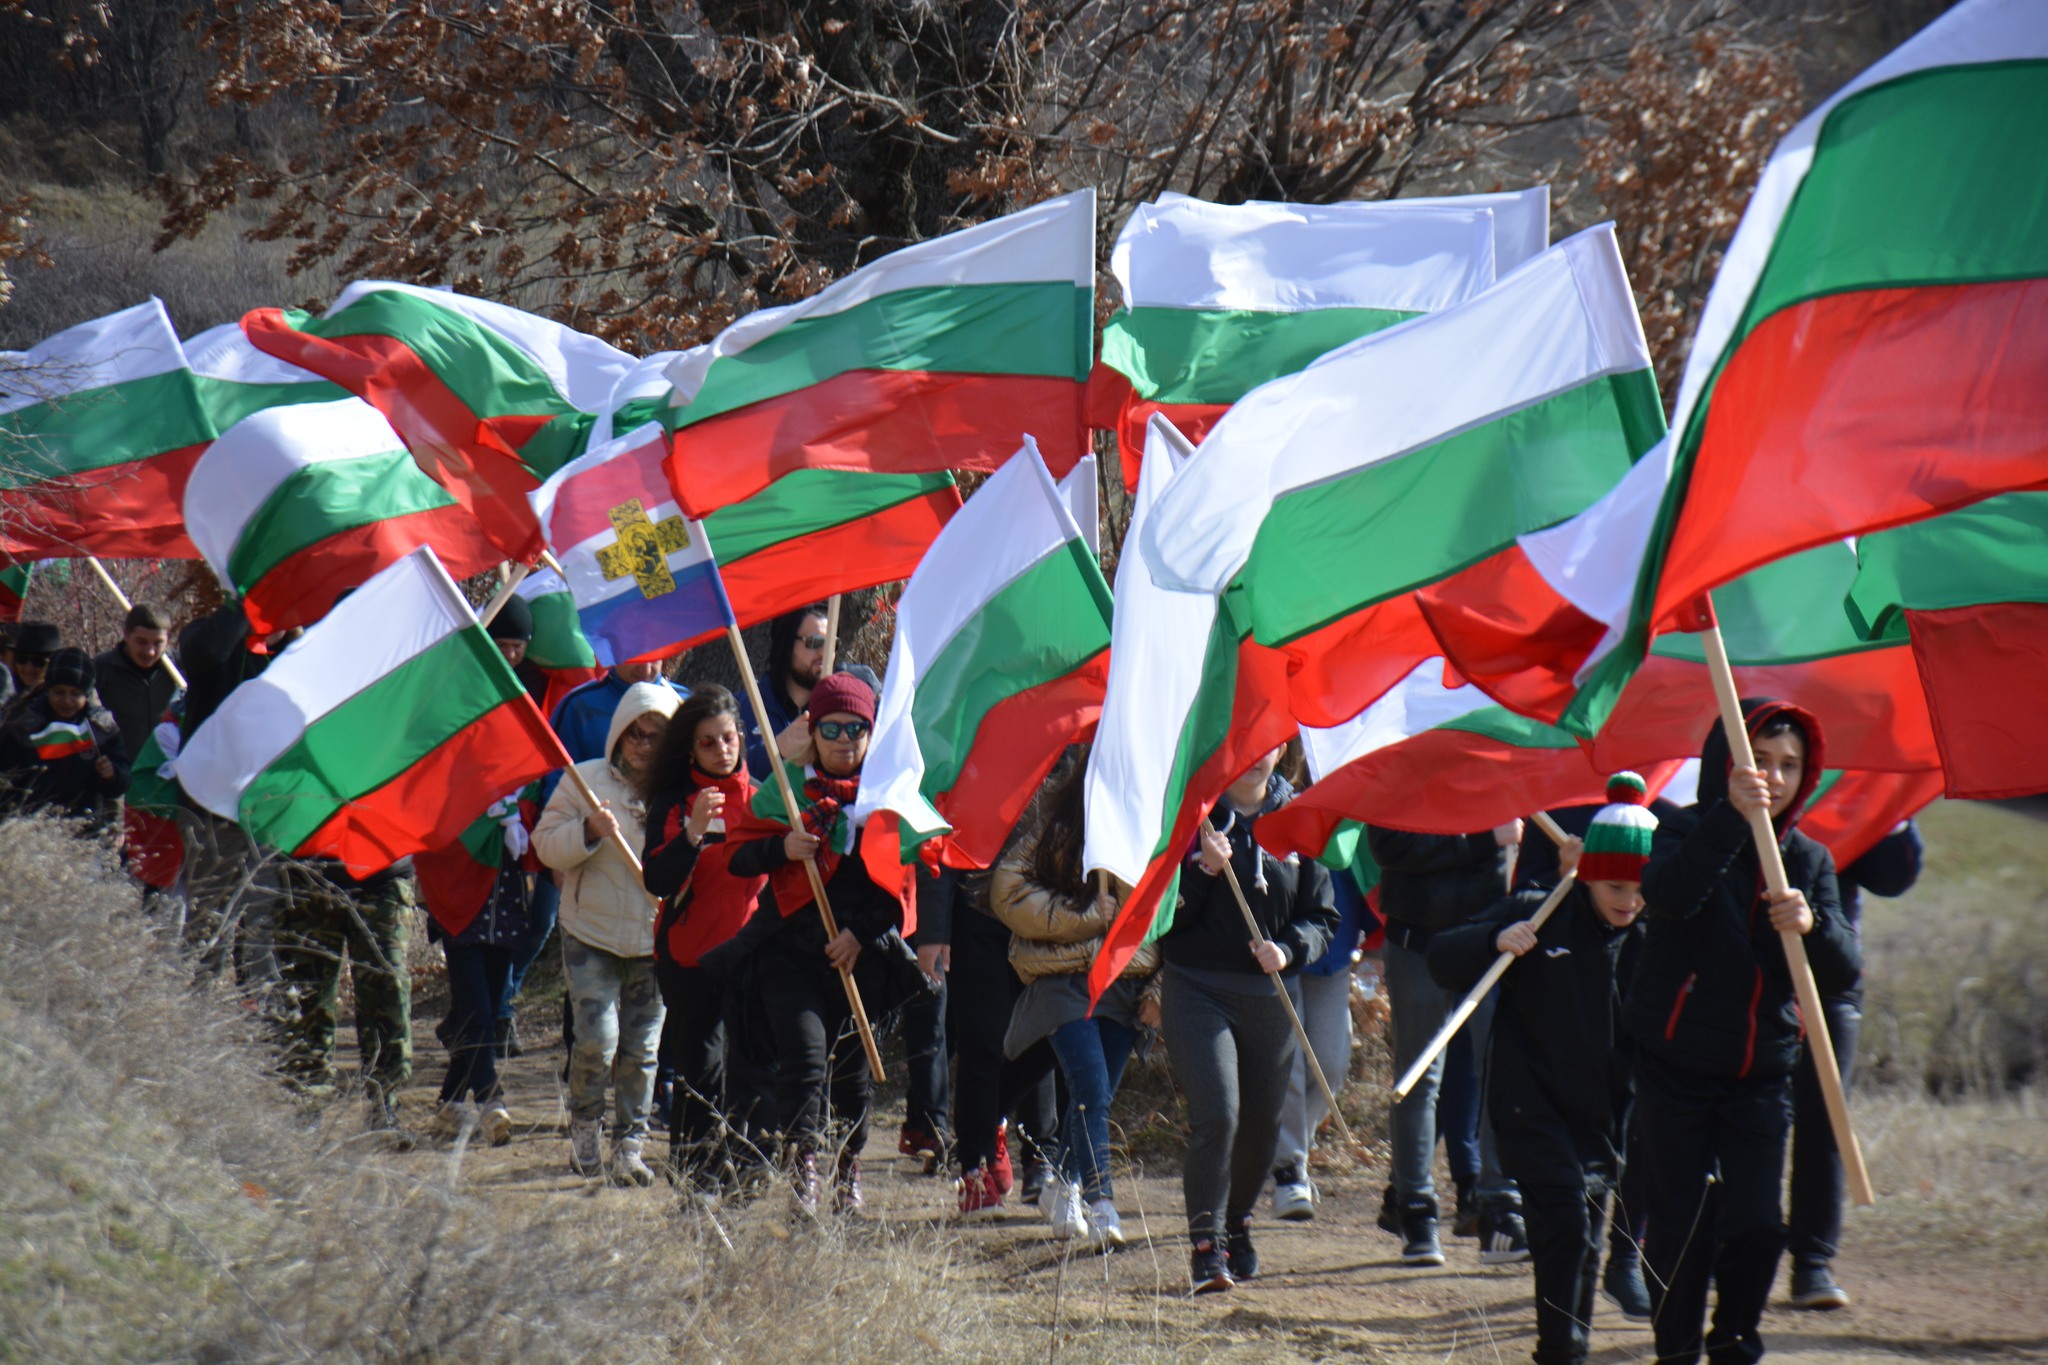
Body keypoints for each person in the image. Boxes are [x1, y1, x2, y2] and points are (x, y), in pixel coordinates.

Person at [1627, 699, 1859, 1365]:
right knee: (1681, 1227)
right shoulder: (1681, 827)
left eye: (1790, 765)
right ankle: (1676, 1351)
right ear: (1727, 763)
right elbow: (1667, 894)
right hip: (1673, 1062)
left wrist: (1810, 925)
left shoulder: (1809, 861)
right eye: (1760, 760)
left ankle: (1734, 1340)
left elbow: (1843, 969)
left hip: (1760, 1070)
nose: (1775, 777)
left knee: (1758, 1222)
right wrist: (1730, 817)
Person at [1429, 776, 1657, 1365]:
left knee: (1587, 1246)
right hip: (1530, 1105)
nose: (1627, 899)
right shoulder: (1541, 910)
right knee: (1565, 1229)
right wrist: (1492, 938)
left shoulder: (1655, 941)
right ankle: (1560, 1352)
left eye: (1638, 887)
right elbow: (1443, 955)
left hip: (1606, 1117)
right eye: (1613, 884)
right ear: (1585, 876)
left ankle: (1567, 1346)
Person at [714, 671, 909, 1214]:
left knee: (851, 1070)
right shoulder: (786, 787)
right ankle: (806, 1169)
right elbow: (739, 855)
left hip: (858, 958)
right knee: (803, 1059)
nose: (844, 740)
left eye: (856, 729)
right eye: (831, 728)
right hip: (789, 951)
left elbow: (901, 888)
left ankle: (850, 1168)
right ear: (813, 731)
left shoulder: (885, 796)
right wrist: (784, 848)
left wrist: (858, 936)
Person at [1159, 746, 1337, 1293]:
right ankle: (1206, 1247)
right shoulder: (1192, 813)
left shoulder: (1299, 818)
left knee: (1261, 1130)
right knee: (1220, 1114)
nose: (1257, 759)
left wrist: (1289, 949)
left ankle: (1238, 1221)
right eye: (1247, 744)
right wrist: (1202, 871)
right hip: (1196, 987)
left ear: (1282, 750)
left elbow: (1322, 916)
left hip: (1269, 996)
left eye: (1270, 746)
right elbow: (1160, 914)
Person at [991, 749, 1158, 1249]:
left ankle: (1062, 1185)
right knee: (1088, 1081)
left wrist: (1159, 991)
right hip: (1062, 983)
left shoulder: (1159, 834)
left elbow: (1174, 924)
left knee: (1097, 1094)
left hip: (1125, 985)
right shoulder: (1053, 829)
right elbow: (1008, 891)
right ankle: (1102, 1200)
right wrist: (1087, 915)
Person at [535, 682, 679, 1185]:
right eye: (634, 734)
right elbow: (546, 845)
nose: (642, 745)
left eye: (655, 736)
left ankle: (629, 1147)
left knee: (642, 1052)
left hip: (653, 939)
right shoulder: (585, 780)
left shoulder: (682, 792)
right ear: (618, 734)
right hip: (589, 933)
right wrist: (589, 832)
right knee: (597, 1039)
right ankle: (585, 1129)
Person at [1367, 815, 1527, 1267]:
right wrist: (1483, 838)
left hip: (1490, 939)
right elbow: (1390, 846)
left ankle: (1500, 1207)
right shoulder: (1399, 758)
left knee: (1497, 1070)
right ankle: (1416, 1209)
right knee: (1418, 1076)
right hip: (1415, 940)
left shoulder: (1501, 759)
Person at [1786, 817, 1922, 1311]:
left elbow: (1892, 877)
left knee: (1825, 1118)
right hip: (1745, 975)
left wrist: (1893, 810)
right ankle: (1721, 1251)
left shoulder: (1858, 789)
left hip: (1831, 974)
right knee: (1742, 1114)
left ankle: (1812, 1263)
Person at [640, 685, 769, 1190]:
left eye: (728, 738)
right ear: (690, 749)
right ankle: (696, 1178)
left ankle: (749, 1168)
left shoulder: (763, 796)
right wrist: (692, 834)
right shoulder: (674, 804)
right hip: (689, 958)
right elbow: (658, 880)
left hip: (751, 954)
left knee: (754, 1067)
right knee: (701, 1072)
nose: (722, 749)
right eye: (708, 742)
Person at [271, 852, 417, 1143]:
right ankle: (307, 1106)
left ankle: (384, 1107)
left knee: (387, 989)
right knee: (305, 996)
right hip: (309, 874)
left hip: (383, 874)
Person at [421, 789, 535, 1147]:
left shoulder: (527, 784)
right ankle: (490, 1098)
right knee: (479, 1014)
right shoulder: (457, 778)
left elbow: (537, 838)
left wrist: (517, 819)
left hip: (506, 910)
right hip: (461, 910)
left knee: (475, 1017)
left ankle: (450, 1102)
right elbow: (433, 834)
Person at [1269, 861, 1367, 1221]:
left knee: (1331, 1063)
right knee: (1289, 1064)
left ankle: (1291, 1143)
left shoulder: (1347, 812)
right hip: (1281, 946)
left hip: (1334, 949)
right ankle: (1289, 1171)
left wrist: (1374, 940)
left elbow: (1363, 865)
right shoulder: (1276, 804)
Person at [0, 646, 130, 825]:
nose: (67, 701)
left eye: (75, 694)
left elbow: (122, 783)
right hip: (32, 829)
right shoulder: (24, 727)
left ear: (87, 694)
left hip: (88, 828)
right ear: (48, 689)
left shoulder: (101, 729)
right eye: (59, 692)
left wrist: (111, 775)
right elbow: (7, 781)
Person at [736, 603, 832, 779]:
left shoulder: (836, 708)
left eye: (831, 643)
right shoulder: (744, 708)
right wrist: (777, 749)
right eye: (814, 642)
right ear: (786, 645)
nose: (824, 653)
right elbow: (726, 776)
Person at [550, 656, 687, 766]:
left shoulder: (684, 703)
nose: (645, 670)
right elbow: (556, 777)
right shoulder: (580, 703)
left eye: (654, 657)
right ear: (615, 650)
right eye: (635, 656)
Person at [93, 603, 177, 762]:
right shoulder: (101, 669)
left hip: (166, 774)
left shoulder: (181, 669)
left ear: (168, 639)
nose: (149, 651)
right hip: (120, 774)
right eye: (142, 642)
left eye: (158, 643)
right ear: (126, 635)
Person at [2, 621, 60, 722]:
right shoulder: (15, 700)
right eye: (22, 659)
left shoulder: (60, 706)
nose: (28, 668)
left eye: (38, 662)